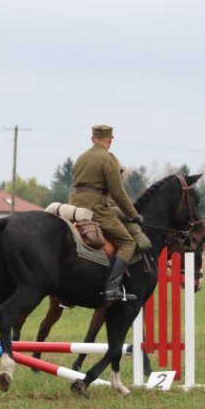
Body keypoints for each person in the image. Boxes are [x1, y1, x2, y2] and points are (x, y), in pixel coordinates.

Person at [69, 124, 143, 301]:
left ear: (92, 139)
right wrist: (133, 215)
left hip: (74, 206)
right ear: (110, 140)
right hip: (96, 209)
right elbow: (118, 193)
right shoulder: (108, 159)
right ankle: (111, 287)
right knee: (127, 242)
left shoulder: (81, 157)